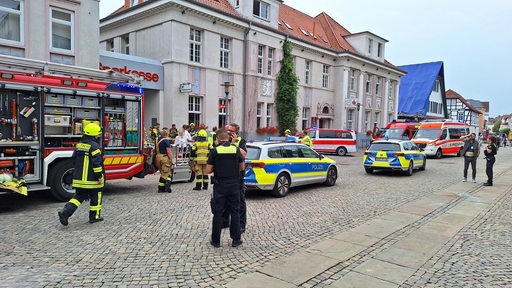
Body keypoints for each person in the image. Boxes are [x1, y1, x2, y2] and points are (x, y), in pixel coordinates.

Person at [58, 123, 105, 226]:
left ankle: (65, 213)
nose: (98, 136)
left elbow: (74, 159)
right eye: (97, 135)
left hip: (79, 179)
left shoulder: (78, 145)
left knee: (78, 197)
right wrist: (99, 177)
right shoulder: (95, 147)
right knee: (96, 197)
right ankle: (94, 217)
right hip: (92, 180)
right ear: (94, 135)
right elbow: (97, 164)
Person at [206, 129, 245, 247]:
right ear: (228, 138)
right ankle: (236, 239)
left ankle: (216, 241)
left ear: (218, 139)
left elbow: (208, 170)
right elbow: (242, 167)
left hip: (220, 185)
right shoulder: (235, 149)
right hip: (234, 185)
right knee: (235, 212)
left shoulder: (215, 151)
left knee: (217, 213)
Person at [222, 123, 248, 233]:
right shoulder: (222, 140)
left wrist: (234, 144)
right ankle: (224, 221)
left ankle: (241, 224)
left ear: (235, 132)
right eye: (226, 130)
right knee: (224, 200)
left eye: (230, 131)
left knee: (240, 201)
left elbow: (243, 154)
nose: (228, 133)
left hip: (237, 175)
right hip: (225, 174)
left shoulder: (240, 141)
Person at [155, 128, 174, 193]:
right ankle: (165, 187)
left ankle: (162, 187)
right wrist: (172, 160)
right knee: (166, 173)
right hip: (164, 158)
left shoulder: (158, 140)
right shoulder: (166, 141)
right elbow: (169, 151)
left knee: (163, 172)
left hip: (158, 157)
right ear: (167, 134)